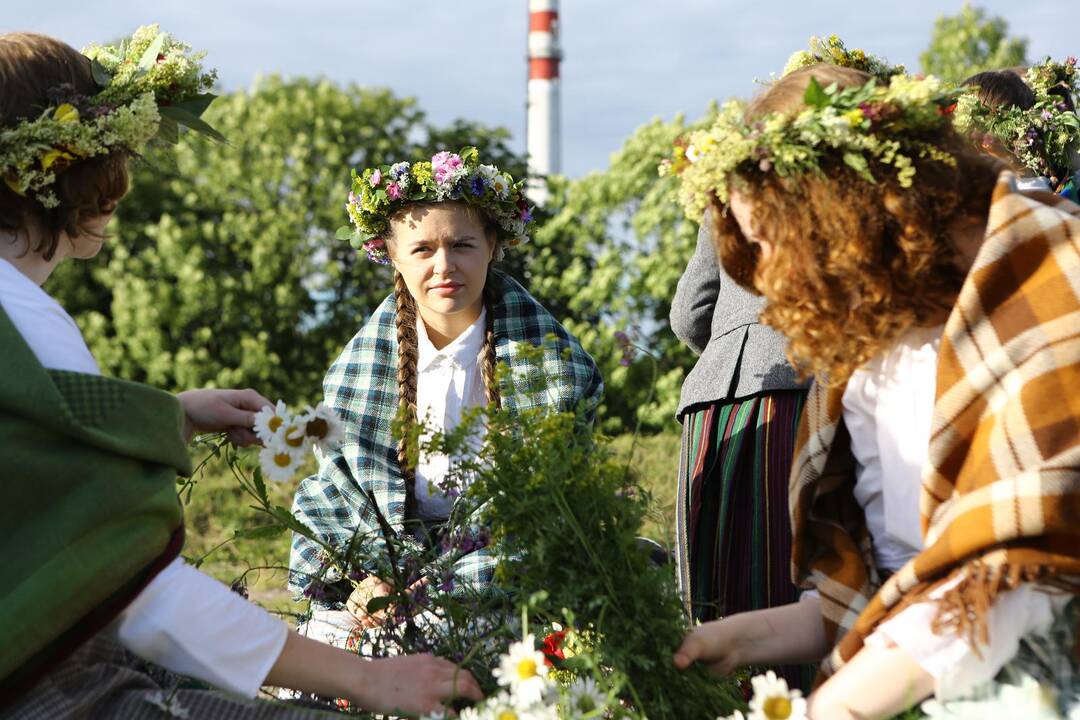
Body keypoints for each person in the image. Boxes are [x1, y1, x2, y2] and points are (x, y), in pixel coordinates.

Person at [0, 28, 480, 718]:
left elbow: (35, 446)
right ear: (75, 168)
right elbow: (139, 593)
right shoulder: (24, 321)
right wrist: (372, 679)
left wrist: (175, 415)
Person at [668, 64, 1080, 719]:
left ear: (839, 210)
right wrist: (741, 636)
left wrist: (827, 710)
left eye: (771, 238)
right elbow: (886, 589)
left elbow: (1009, 583)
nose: (764, 272)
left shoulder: (1039, 294)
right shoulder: (864, 358)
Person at [289, 149, 603, 645]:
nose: (444, 266)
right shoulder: (353, 376)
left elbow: (550, 513)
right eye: (422, 250)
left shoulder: (557, 371)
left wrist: (434, 589)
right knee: (327, 657)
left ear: (492, 245)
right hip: (383, 580)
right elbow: (335, 494)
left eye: (462, 245)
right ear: (391, 253)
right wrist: (364, 581)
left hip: (507, 580)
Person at [670, 211, 809, 690]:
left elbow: (688, 313)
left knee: (702, 582)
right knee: (792, 577)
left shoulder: (728, 187)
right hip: (802, 383)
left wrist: (728, 348)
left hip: (710, 398)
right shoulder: (859, 168)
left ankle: (708, 701)